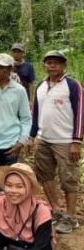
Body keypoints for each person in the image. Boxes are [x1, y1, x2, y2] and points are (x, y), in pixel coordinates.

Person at [30, 50, 83, 234]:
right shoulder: (41, 86)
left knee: (69, 178)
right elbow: (36, 113)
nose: (52, 65)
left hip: (65, 140)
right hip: (43, 139)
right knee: (44, 175)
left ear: (63, 65)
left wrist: (77, 140)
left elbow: (80, 113)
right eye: (49, 62)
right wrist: (32, 136)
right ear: (44, 65)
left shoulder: (72, 85)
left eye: (56, 62)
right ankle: (56, 210)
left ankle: (70, 217)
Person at [0, 53, 32, 166]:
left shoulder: (19, 90)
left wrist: (21, 141)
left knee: (8, 178)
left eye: (1, 67)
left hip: (11, 141)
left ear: (10, 69)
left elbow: (26, 118)